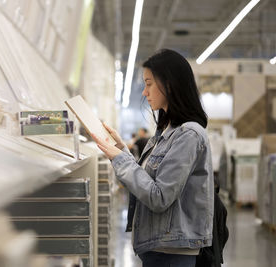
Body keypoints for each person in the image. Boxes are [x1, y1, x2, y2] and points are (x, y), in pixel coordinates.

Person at [91, 49, 214, 267]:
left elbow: (159, 197)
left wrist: (122, 160)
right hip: (160, 247)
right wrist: (122, 150)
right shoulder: (166, 132)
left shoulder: (189, 134)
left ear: (169, 84)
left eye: (149, 84)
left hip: (172, 251)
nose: (144, 92)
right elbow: (150, 179)